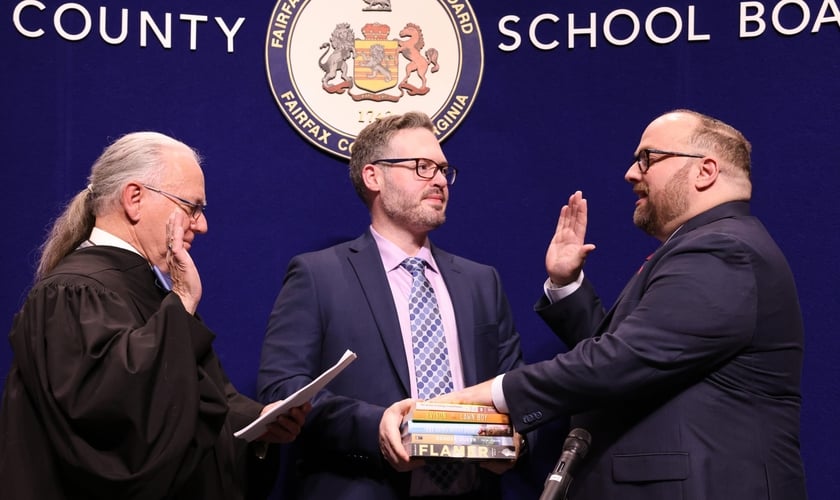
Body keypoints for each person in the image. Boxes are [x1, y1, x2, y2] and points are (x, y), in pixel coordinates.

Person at [380, 109, 807, 499]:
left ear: (705, 171)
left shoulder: (721, 250)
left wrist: (472, 399)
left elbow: (619, 362)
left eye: (647, 159)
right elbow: (641, 360)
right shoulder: (707, 246)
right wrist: (567, 284)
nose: (629, 173)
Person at [0, 131, 311, 500]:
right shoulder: (75, 292)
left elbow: (195, 398)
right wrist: (180, 302)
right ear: (134, 198)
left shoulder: (147, 289)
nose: (201, 224)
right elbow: (113, 423)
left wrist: (257, 423)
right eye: (191, 207)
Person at [257, 111, 527, 499]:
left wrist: (520, 440)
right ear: (373, 177)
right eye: (422, 167)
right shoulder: (318, 275)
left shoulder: (482, 282)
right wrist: (374, 426)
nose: (438, 180)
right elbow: (282, 390)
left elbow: (514, 386)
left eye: (443, 169)